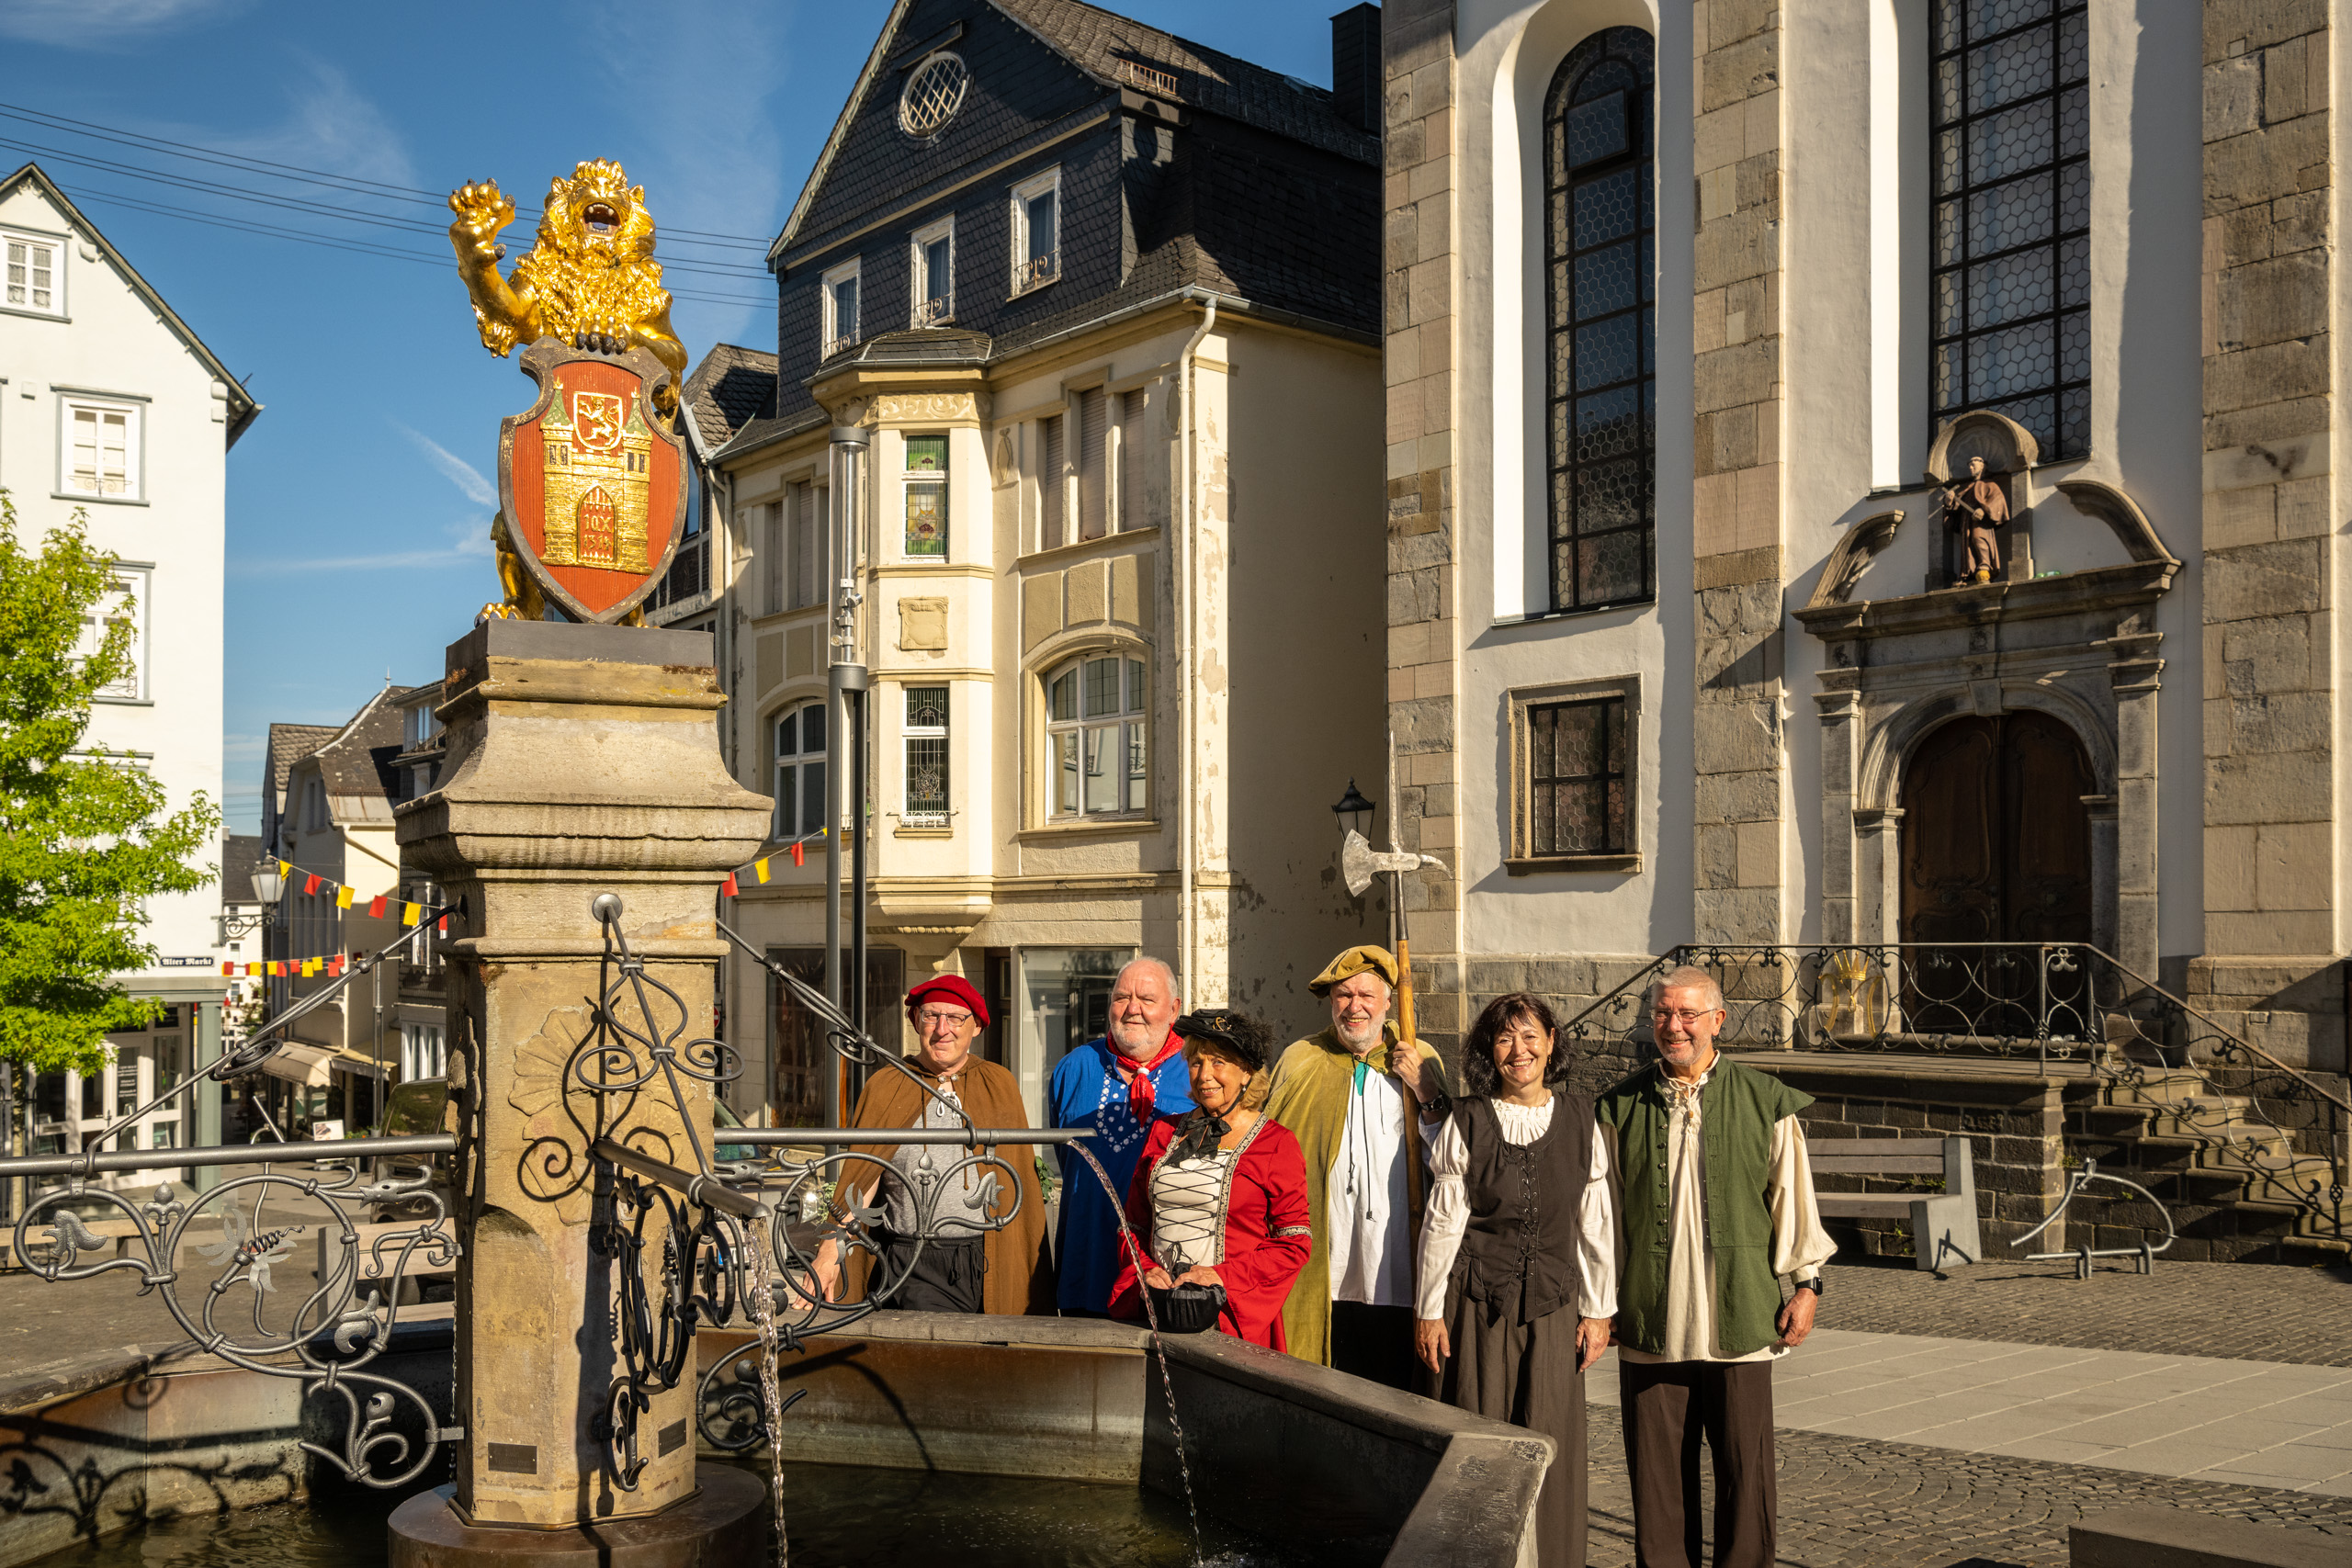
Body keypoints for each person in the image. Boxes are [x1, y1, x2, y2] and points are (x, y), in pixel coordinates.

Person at [1596, 964, 1835, 1568]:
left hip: (1741, 1313)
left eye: (1687, 1014)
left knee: (1744, 1470)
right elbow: (1601, 1217)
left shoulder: (1764, 1099)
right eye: (1661, 1013)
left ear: (1718, 1021)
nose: (1673, 1026)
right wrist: (1601, 1304)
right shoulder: (1617, 1107)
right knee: (1656, 1480)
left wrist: (1807, 1284)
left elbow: (1793, 1197)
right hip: (1651, 1320)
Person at [1415, 993, 1614, 1568]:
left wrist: (1599, 1310)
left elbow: (1593, 1223)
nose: (1518, 1051)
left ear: (1552, 1043)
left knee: (1549, 1438)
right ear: (1488, 1051)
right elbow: (1442, 1224)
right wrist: (1429, 1311)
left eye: (1529, 1037)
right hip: (1478, 1307)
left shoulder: (1582, 1119)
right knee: (1481, 1436)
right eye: (1504, 1039)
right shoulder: (1469, 1121)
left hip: (1553, 1306)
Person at [1262, 944, 1452, 1387]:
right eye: (1344, 996)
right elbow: (1268, 1153)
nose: (1355, 1007)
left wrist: (1426, 1090)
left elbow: (1450, 1158)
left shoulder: (1420, 1058)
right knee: (1327, 1381)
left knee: (1396, 1385)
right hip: (1325, 1262)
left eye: (1366, 995)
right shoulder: (1301, 1059)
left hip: (1396, 1262)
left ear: (1389, 1001)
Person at [810, 974, 1051, 1315]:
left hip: (986, 1258)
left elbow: (1019, 1187)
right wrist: (829, 1252)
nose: (942, 1029)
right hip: (912, 1259)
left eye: (955, 1018)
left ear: (976, 1027)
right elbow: (862, 1179)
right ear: (915, 1021)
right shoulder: (888, 1084)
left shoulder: (999, 1084)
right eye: (931, 1016)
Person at [1108, 1009, 1312, 1347]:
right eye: (1196, 1062)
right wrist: (1146, 1270)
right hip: (1160, 1311)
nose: (1204, 1076)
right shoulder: (1163, 1131)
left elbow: (1294, 1243)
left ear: (1246, 1072)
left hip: (1231, 1319)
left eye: (1219, 1063)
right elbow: (1133, 1226)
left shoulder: (1276, 1143)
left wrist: (1219, 1275)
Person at [1046, 957, 1194, 1315]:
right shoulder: (1074, 1067)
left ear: (1174, 1009)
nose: (1133, 1010)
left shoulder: (1196, 1071)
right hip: (1087, 1270)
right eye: (1121, 998)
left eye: (1147, 999)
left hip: (1165, 1276)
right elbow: (1069, 1162)